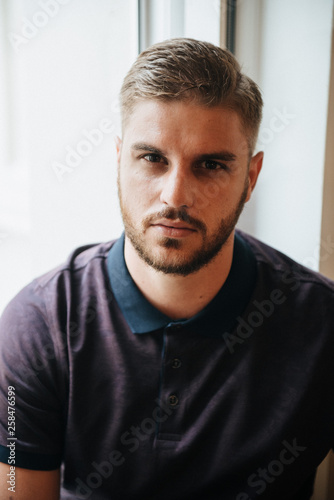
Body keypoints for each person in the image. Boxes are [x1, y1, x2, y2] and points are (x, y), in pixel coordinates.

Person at [0, 37, 333, 500]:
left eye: (211, 165)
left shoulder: (321, 325)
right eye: (152, 158)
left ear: (250, 178)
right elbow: (15, 489)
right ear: (119, 160)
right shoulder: (38, 327)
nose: (175, 196)